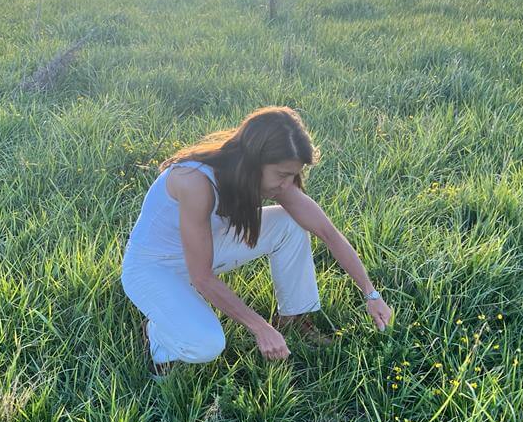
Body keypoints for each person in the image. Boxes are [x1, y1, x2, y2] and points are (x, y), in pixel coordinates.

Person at [120, 106, 393, 379]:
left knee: (289, 223)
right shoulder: (195, 182)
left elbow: (328, 233)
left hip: (206, 247)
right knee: (207, 344)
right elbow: (202, 278)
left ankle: (293, 320)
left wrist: (371, 294)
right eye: (282, 174)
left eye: (293, 175)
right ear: (253, 161)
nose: (287, 184)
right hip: (153, 267)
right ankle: (157, 333)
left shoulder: (271, 180)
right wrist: (260, 327)